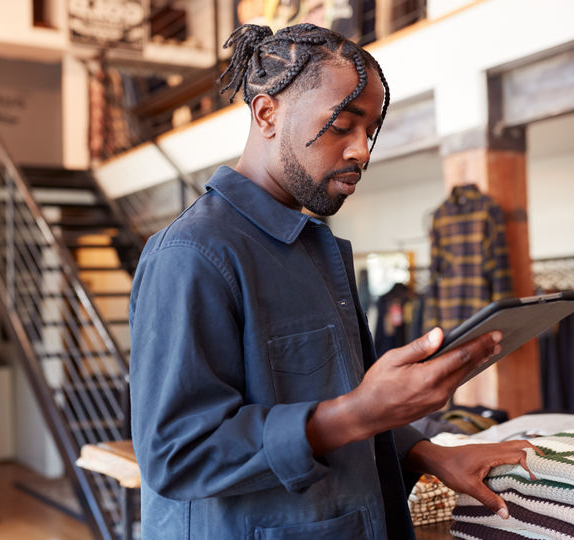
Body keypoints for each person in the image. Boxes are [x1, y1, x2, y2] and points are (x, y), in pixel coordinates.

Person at [129, 23, 537, 539]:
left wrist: (429, 451)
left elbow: (335, 397)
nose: (362, 151)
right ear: (267, 113)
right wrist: (360, 411)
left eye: (369, 132)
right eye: (343, 125)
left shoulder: (312, 246)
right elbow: (177, 455)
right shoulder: (192, 255)